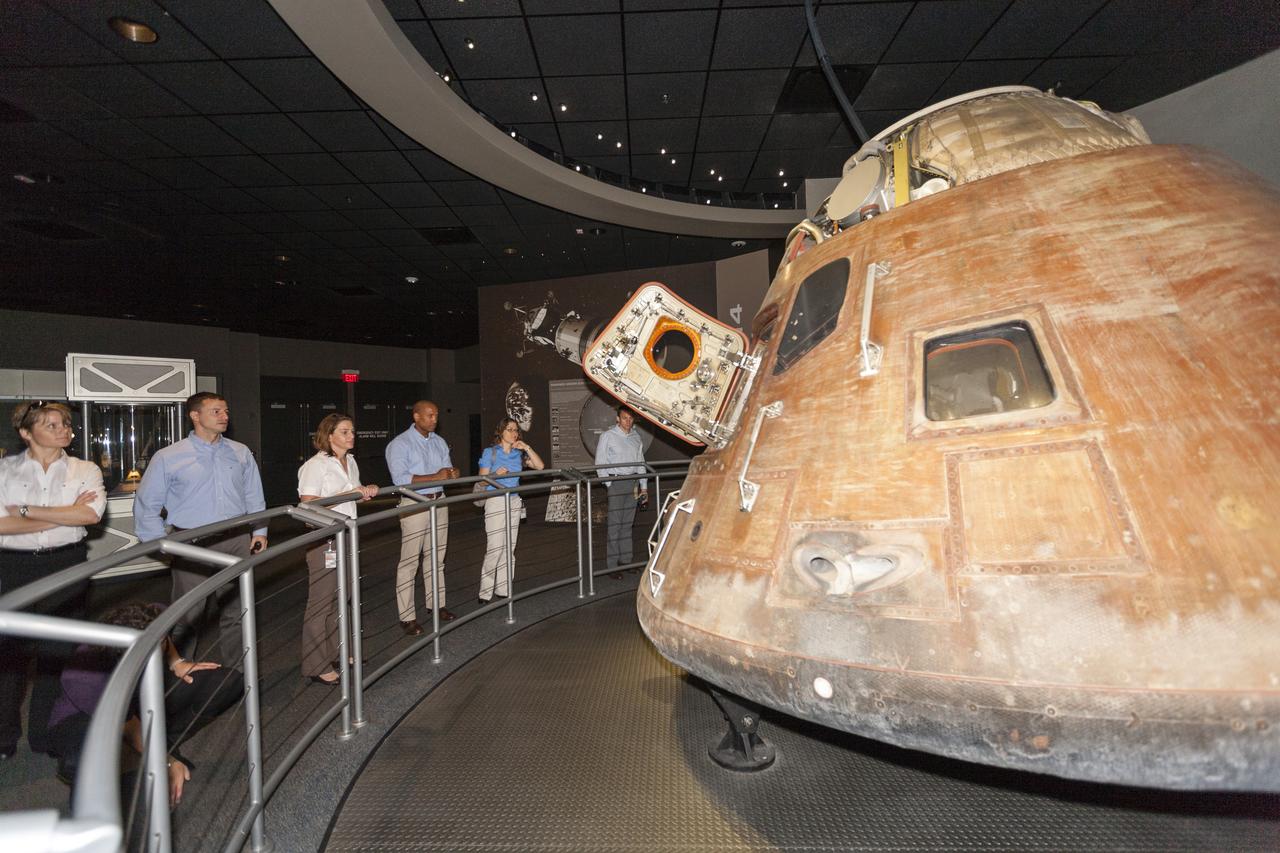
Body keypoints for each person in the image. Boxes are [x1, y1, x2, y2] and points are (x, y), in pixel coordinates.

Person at [45, 603, 243, 808]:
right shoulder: (83, 674)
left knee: (228, 682)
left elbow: (163, 635)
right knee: (84, 762)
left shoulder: (150, 616)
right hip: (86, 721)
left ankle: (159, 741)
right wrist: (168, 761)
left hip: (138, 696)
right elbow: (128, 725)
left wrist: (177, 663)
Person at [0, 400, 106, 760]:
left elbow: (90, 515)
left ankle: (43, 735)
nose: (64, 429)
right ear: (26, 433)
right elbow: (1, 524)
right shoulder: (4, 471)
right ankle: (3, 738)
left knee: (57, 653)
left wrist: (27, 512)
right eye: (52, 424)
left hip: (66, 565)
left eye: (65, 424)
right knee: (8, 655)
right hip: (12, 567)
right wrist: (63, 516)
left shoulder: (85, 468)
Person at [134, 392, 267, 667]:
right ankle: (179, 674)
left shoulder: (240, 452)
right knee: (187, 615)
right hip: (191, 542)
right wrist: (162, 545)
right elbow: (147, 505)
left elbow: (254, 495)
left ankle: (239, 676)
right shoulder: (168, 457)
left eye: (226, 411)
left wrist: (259, 531)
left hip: (236, 539)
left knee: (238, 611)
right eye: (216, 411)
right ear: (195, 416)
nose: (225, 416)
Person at [296, 414, 378, 685]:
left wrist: (363, 492)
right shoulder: (315, 466)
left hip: (348, 535)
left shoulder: (350, 461)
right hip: (324, 539)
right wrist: (350, 493)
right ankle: (316, 664)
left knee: (341, 598)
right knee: (321, 603)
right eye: (344, 432)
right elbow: (308, 504)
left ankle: (338, 651)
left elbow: (350, 498)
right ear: (329, 436)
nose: (351, 436)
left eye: (352, 431)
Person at [385, 401, 459, 634]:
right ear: (416, 416)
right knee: (409, 562)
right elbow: (400, 479)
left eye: (436, 415)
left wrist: (451, 474)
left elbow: (446, 471)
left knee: (437, 558)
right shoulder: (399, 444)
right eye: (429, 415)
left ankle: (436, 605)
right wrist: (436, 476)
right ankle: (407, 617)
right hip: (415, 504)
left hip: (440, 501)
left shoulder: (438, 442)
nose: (434, 419)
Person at [476, 418, 544, 604]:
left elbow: (540, 466)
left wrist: (527, 447)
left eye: (516, 430)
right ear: (501, 432)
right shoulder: (491, 452)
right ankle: (485, 591)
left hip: (514, 501)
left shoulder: (518, 454)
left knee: (509, 547)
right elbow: (481, 481)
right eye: (509, 429)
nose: (514, 433)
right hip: (496, 501)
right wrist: (494, 476)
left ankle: (504, 589)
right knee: (495, 548)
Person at [594, 405, 648, 578]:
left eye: (631, 418)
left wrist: (644, 487)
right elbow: (600, 463)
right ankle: (612, 566)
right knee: (615, 526)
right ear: (617, 419)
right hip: (616, 483)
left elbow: (641, 464)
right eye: (625, 418)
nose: (628, 421)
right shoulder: (608, 436)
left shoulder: (636, 437)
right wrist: (609, 483)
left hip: (632, 484)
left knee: (627, 525)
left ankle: (626, 561)